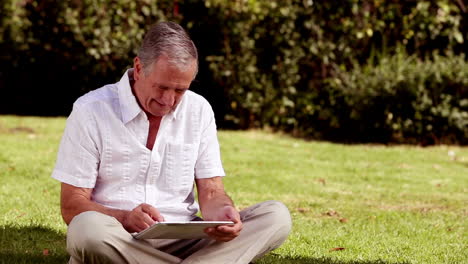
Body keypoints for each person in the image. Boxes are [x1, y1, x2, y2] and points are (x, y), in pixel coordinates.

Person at [51, 21, 291, 264]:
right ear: (139, 67)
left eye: (180, 91)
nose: (168, 100)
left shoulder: (199, 110)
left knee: (275, 216)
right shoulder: (91, 110)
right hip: (118, 236)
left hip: (185, 239)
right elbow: (72, 206)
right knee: (86, 229)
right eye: (162, 87)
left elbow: (211, 191)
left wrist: (224, 213)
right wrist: (124, 217)